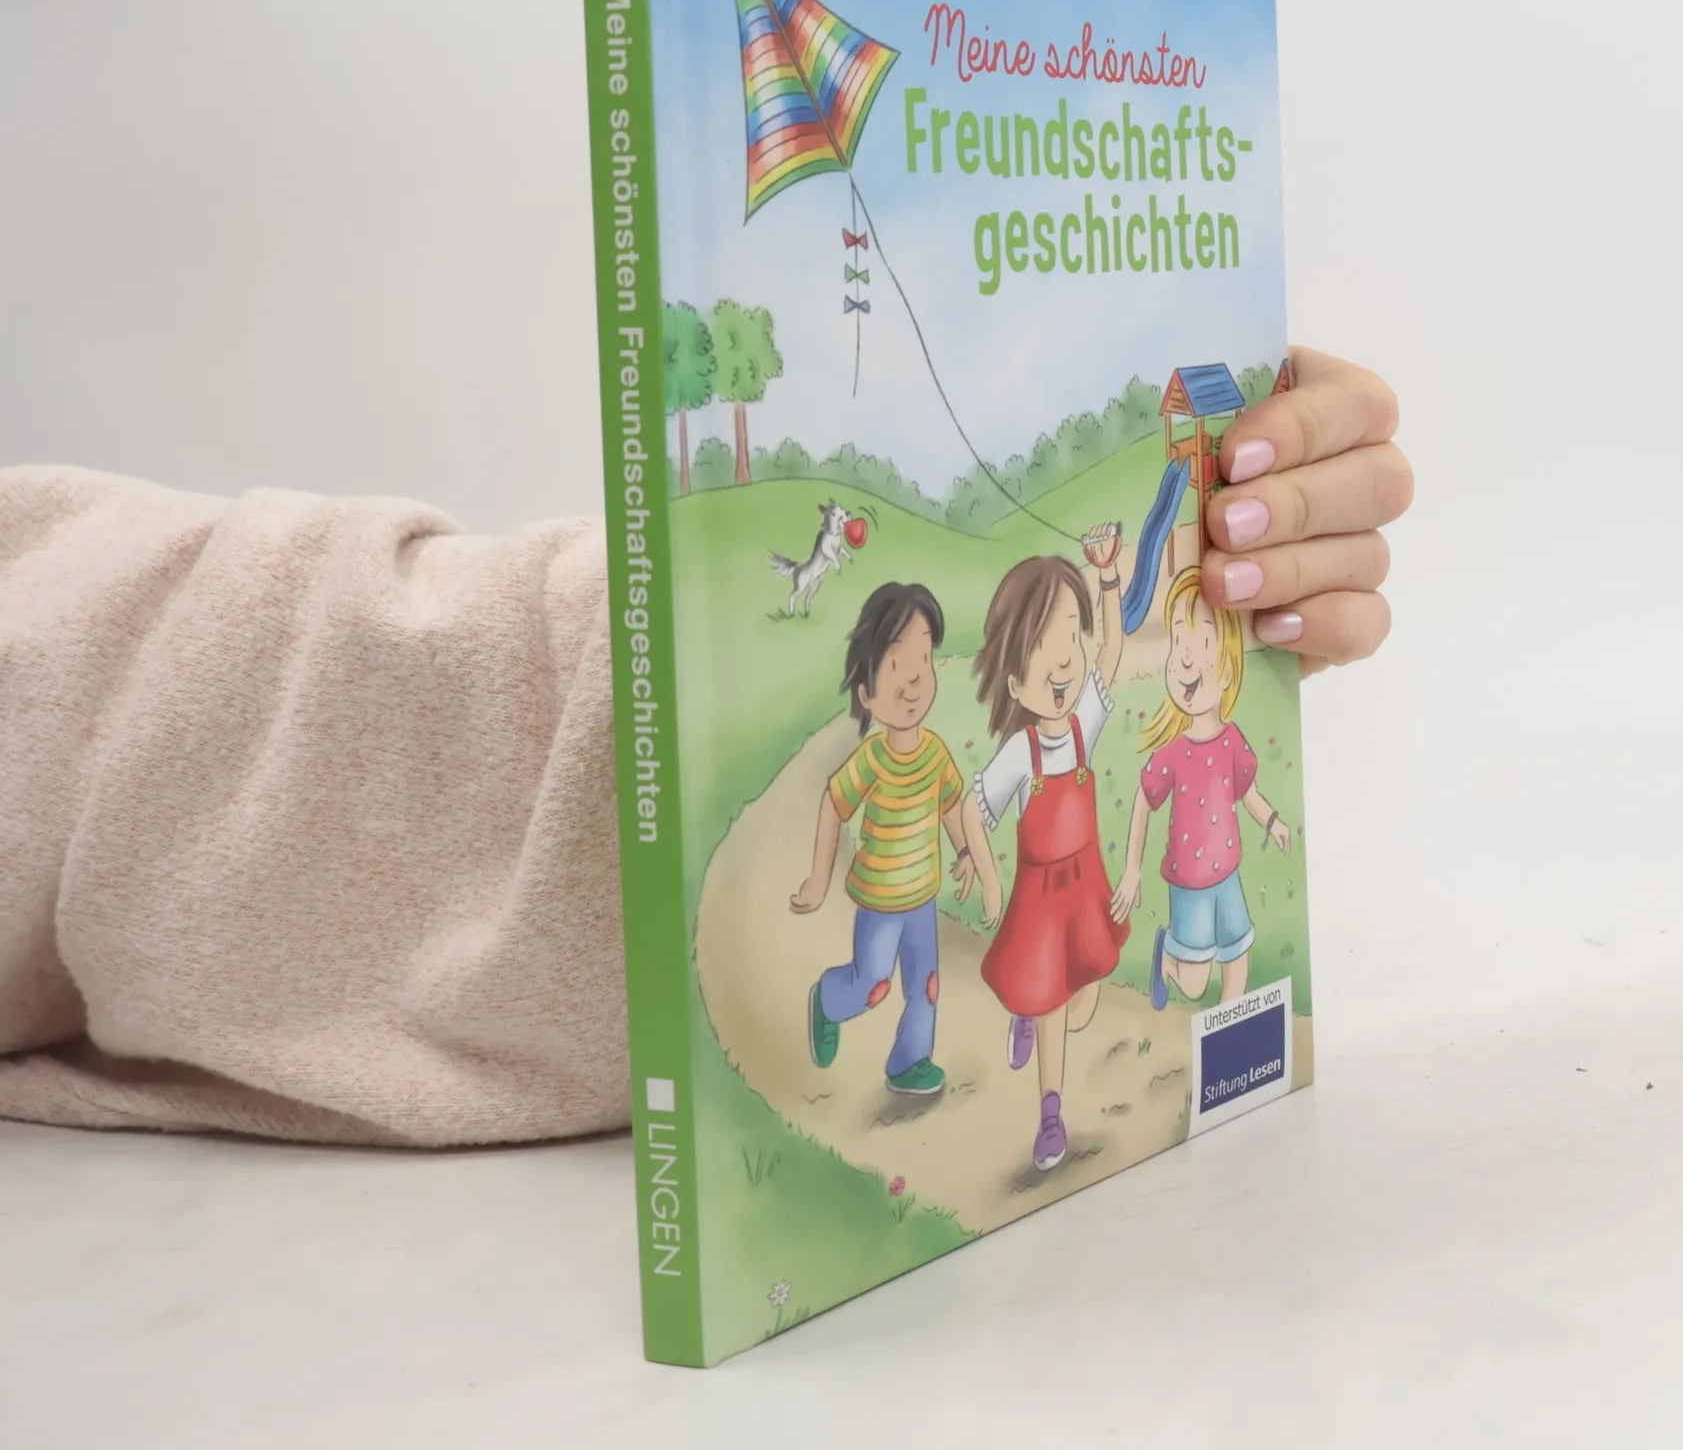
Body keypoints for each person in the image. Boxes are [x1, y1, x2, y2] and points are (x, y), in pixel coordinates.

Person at [0, 347, 1411, 1145]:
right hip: (942, 898)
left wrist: (1178, 560)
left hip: (1038, 892)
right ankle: (928, 1043)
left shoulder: (1043, 721)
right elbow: (913, 795)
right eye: (901, 674)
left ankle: (991, 1067)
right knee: (894, 979)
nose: (920, 689)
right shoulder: (918, 753)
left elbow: (1089, 698)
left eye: (925, 670)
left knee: (960, 992)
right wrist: (826, 867)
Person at [789, 581, 999, 1097]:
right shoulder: (871, 759)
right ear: (866, 693)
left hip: (922, 899)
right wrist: (818, 880)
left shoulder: (935, 754)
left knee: (926, 985)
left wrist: (966, 850)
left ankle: (910, 1061)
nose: (913, 679)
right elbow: (834, 804)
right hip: (880, 904)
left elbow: (950, 804)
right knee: (873, 983)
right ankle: (829, 1000)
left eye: (923, 658)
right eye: (895, 664)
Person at [969, 531, 1127, 1173]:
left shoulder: (1084, 724)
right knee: (1058, 1003)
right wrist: (987, 879)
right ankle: (1051, 1113)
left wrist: (1108, 577)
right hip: (1040, 903)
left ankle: (1029, 1015)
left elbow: (1112, 650)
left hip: (1084, 892)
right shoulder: (1020, 753)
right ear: (1015, 679)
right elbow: (971, 810)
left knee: (1082, 1004)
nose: (1062, 662)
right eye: (1043, 647)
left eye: (1069, 636)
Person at [1110, 566, 1291, 1010]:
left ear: (1228, 668)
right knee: (1193, 985)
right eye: (1178, 642)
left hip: (1227, 874)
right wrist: (1132, 870)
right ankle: (1167, 959)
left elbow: (1247, 793)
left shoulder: (1232, 742)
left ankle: (1228, 1026)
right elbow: (1144, 800)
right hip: (1188, 882)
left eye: (1202, 643)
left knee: (1238, 958)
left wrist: (1272, 821)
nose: (1185, 658)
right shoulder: (1173, 752)